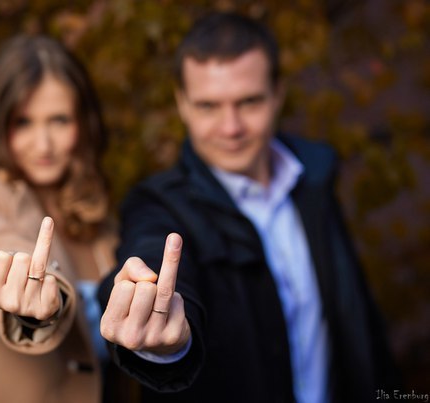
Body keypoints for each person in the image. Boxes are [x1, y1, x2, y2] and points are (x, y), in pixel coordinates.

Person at [97, 11, 400, 403]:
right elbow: (150, 257)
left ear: (278, 94)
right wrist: (157, 324)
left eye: (249, 102)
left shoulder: (314, 178)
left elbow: (357, 321)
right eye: (208, 106)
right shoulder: (159, 204)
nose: (231, 127)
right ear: (182, 103)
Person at [0, 34, 136, 403]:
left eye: (58, 120)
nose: (43, 145)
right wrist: (23, 290)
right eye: (23, 122)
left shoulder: (96, 218)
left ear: (82, 123)